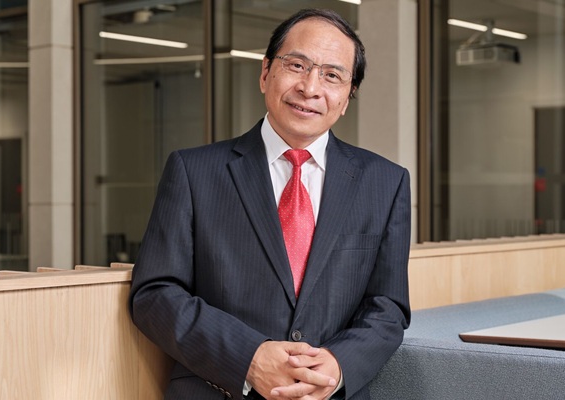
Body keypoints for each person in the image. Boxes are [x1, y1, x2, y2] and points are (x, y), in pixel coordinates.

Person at [130, 8, 411, 400]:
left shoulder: (386, 182)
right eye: (297, 65)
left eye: (332, 75)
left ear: (347, 98)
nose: (310, 88)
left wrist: (337, 366)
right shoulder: (193, 171)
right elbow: (155, 293)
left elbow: (388, 307)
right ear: (265, 73)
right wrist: (247, 358)